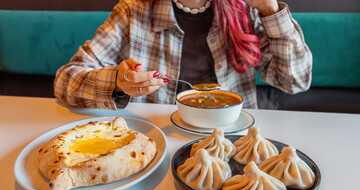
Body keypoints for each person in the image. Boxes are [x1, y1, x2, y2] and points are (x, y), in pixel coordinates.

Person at [54, 0, 312, 110]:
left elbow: (295, 81)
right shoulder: (132, 12)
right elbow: (66, 80)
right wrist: (117, 82)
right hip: (158, 144)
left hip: (233, 140)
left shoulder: (247, 11)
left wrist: (269, 8)